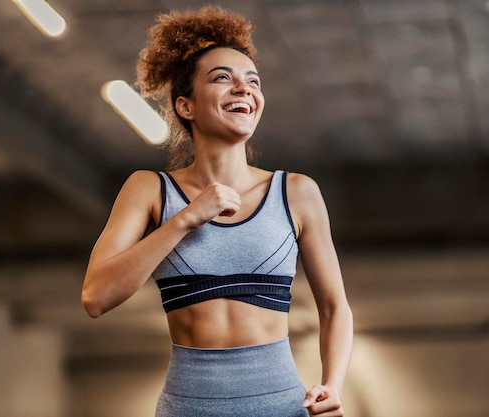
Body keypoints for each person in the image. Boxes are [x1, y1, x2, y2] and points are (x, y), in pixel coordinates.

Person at [81, 5, 353, 417]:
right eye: (223, 78)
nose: (244, 89)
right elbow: (95, 297)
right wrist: (186, 218)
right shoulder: (150, 190)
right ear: (185, 106)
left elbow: (334, 307)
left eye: (252, 81)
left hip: (282, 407)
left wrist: (333, 384)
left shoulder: (297, 192)